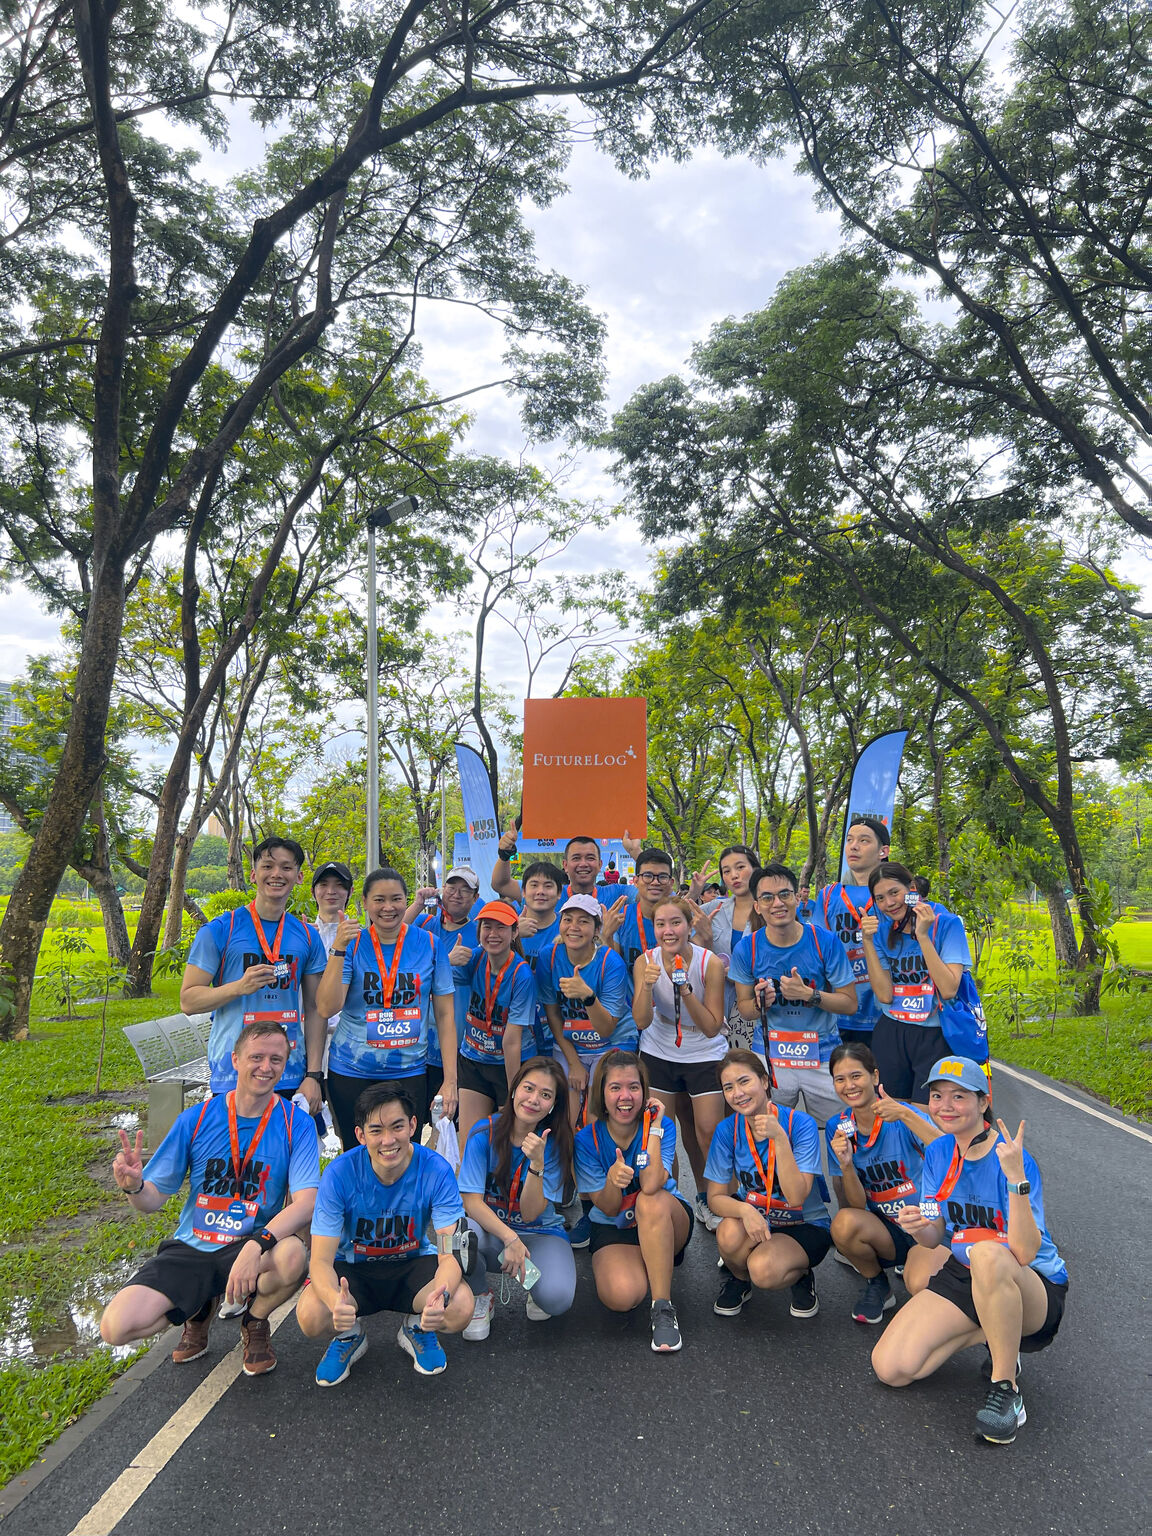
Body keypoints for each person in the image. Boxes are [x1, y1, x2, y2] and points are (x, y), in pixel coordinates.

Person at [100, 1022, 318, 1376]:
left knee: (293, 1255)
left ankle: (255, 1320)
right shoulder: (197, 1118)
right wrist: (134, 1187)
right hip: (194, 1246)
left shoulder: (296, 1124)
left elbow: (306, 1202)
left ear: (285, 1065)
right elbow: (151, 1201)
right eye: (257, 1057)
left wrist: (255, 1246)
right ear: (235, 1059)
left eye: (276, 1059)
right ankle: (197, 1309)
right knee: (116, 1327)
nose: (266, 1067)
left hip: (252, 1244)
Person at [871, 1057, 1069, 1445]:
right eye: (938, 1095)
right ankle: (996, 1333)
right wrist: (918, 1227)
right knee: (890, 1369)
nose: (945, 1105)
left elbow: (1026, 1251)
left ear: (983, 1102)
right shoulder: (939, 1152)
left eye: (959, 1096)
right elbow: (933, 1237)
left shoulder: (1013, 1157)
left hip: (1030, 1283)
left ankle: (1006, 1389)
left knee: (986, 1252)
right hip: (970, 1274)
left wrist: (1016, 1179)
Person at [297, 1083, 475, 1384]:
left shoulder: (436, 1169)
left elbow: (451, 1250)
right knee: (312, 1315)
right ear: (360, 1135)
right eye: (376, 1130)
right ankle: (348, 1335)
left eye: (397, 1127)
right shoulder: (339, 1173)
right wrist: (333, 1301)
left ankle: (417, 1327)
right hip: (353, 1270)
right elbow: (321, 1260)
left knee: (460, 1307)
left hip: (411, 1265)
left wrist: (440, 1297)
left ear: (413, 1125)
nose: (388, 1140)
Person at [179, 836, 329, 1116]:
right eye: (268, 866)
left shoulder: (308, 936)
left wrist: (313, 1075)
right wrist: (238, 987)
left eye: (286, 868)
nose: (276, 874)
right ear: (253, 875)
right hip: (234, 1071)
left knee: (285, 1156)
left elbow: (315, 1008)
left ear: (298, 877)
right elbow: (189, 1000)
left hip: (289, 1071)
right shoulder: (220, 930)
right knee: (234, 1156)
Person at [316, 867, 457, 1148]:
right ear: (365, 902)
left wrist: (450, 1080)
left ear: (407, 901)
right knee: (356, 1156)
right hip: (351, 1070)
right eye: (379, 900)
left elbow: (445, 1015)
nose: (388, 907)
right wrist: (338, 948)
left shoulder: (430, 944)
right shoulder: (353, 944)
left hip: (409, 1071)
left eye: (396, 899)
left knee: (402, 1154)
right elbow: (326, 1007)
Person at [574, 1050, 693, 1352]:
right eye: (615, 1087)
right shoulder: (586, 1140)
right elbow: (609, 1207)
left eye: (634, 1087)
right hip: (615, 1225)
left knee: (648, 1200)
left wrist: (654, 1125)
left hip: (664, 1217)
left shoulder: (660, 1126)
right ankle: (653, 1257)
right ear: (602, 1093)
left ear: (644, 1092)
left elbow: (652, 1183)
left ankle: (663, 1309)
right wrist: (613, 1182)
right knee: (622, 1297)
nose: (625, 1096)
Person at [704, 1050, 832, 1321]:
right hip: (758, 1218)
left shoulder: (800, 1123)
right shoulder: (728, 1129)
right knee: (727, 1231)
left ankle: (801, 1274)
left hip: (803, 1224)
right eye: (728, 1087)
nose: (737, 1093)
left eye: (744, 1081)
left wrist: (780, 1139)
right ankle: (739, 1280)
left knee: (763, 1270)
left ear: (764, 1081)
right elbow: (714, 1197)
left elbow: (797, 1196)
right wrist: (745, 1212)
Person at [729, 863, 857, 1128]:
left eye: (784, 894)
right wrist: (759, 1003)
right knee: (765, 1135)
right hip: (771, 1055)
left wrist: (809, 994)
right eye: (767, 897)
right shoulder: (747, 949)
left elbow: (849, 1003)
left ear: (797, 899)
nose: (777, 903)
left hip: (822, 1054)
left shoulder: (825, 942)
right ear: (757, 906)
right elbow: (745, 1009)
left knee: (843, 1137)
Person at [458, 1056, 577, 1337]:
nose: (534, 1099)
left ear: (553, 1106)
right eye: (529, 1088)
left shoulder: (557, 1145)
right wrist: (509, 1238)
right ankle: (479, 1295)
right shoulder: (484, 1132)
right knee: (456, 1235)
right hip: (493, 1232)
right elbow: (471, 1202)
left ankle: (536, 1284)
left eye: (545, 1095)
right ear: (514, 1090)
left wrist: (537, 1165)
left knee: (557, 1299)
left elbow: (530, 1214)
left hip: (538, 1234)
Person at [825, 1041, 942, 1323]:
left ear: (874, 1077)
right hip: (888, 1227)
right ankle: (878, 1284)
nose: (849, 1085)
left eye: (856, 1076)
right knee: (843, 1223)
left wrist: (906, 1114)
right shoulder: (837, 1126)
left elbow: (951, 1154)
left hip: (928, 1223)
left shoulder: (901, 1114)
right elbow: (856, 1205)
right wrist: (847, 1165)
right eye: (840, 1079)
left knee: (922, 1282)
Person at [632, 896, 728, 1232]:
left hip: (703, 1050)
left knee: (707, 1132)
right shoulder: (645, 961)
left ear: (689, 926)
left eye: (676, 923)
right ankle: (671, 1203)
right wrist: (646, 985)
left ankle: (712, 1199)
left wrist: (684, 988)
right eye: (661, 924)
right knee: (661, 1132)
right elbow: (641, 1020)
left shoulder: (709, 963)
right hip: (659, 1048)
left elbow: (713, 1026)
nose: (668, 931)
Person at [860, 862, 973, 1103]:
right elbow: (884, 995)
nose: (889, 903)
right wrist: (867, 942)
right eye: (880, 898)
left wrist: (922, 936)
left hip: (936, 1033)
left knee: (928, 1116)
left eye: (894, 893)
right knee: (891, 1113)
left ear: (912, 889)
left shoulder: (946, 923)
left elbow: (949, 989)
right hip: (893, 1030)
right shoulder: (880, 928)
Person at [536, 894, 635, 1126]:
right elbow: (553, 1015)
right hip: (571, 1042)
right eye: (568, 919)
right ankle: (570, 1162)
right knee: (565, 1119)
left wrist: (588, 997)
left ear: (597, 928)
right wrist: (574, 1063)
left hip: (612, 1042)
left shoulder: (611, 963)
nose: (574, 927)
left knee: (596, 1117)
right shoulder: (548, 957)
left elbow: (607, 1028)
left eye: (583, 921)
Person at [450, 900, 538, 1151]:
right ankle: (472, 1190)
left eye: (501, 928)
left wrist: (513, 1094)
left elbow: (512, 1041)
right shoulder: (474, 958)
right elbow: (432, 983)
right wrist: (447, 960)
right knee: (469, 1144)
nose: (493, 934)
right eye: (487, 927)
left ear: (514, 933)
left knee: (507, 1144)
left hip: (511, 1065)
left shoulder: (522, 975)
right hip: (474, 1059)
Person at [407, 866, 482, 1111]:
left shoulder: (480, 932)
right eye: (452, 887)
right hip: (417, 1040)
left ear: (475, 897)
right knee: (415, 1109)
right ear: (442, 890)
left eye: (465, 890)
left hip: (458, 1040)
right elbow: (393, 934)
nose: (457, 894)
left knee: (449, 1115)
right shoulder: (423, 923)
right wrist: (418, 903)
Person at [814, 816, 891, 1043]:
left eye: (864, 841)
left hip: (886, 1010)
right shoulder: (828, 895)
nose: (854, 846)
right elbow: (819, 949)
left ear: (883, 851)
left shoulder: (893, 896)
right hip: (839, 1011)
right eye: (849, 840)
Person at [695, 843, 762, 1050]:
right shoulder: (712, 909)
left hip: (756, 1011)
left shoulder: (771, 910)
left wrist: (738, 975)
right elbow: (670, 923)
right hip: (715, 1009)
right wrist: (693, 893)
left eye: (740, 867)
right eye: (727, 871)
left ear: (755, 869)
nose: (734, 875)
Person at [491, 830, 641, 907]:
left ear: (600, 864)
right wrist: (505, 854)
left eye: (590, 858)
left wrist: (636, 854)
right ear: (565, 865)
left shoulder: (618, 895)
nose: (583, 864)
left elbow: (657, 893)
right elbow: (501, 884)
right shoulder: (548, 894)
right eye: (576, 858)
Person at [513, 860, 565, 1054]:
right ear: (524, 892)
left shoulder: (569, 928)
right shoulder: (507, 927)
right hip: (518, 1029)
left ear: (559, 893)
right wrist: (513, 934)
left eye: (548, 886)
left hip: (560, 1030)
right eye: (534, 885)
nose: (540, 891)